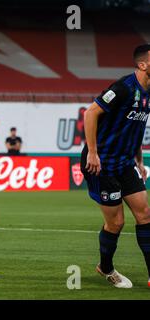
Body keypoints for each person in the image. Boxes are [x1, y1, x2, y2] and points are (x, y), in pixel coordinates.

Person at [82, 43, 150, 288]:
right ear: (142, 65)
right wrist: (92, 152)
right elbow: (90, 113)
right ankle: (106, 268)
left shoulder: (148, 93)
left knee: (145, 215)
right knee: (116, 223)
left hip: (125, 162)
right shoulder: (123, 87)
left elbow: (136, 129)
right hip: (101, 164)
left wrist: (140, 160)